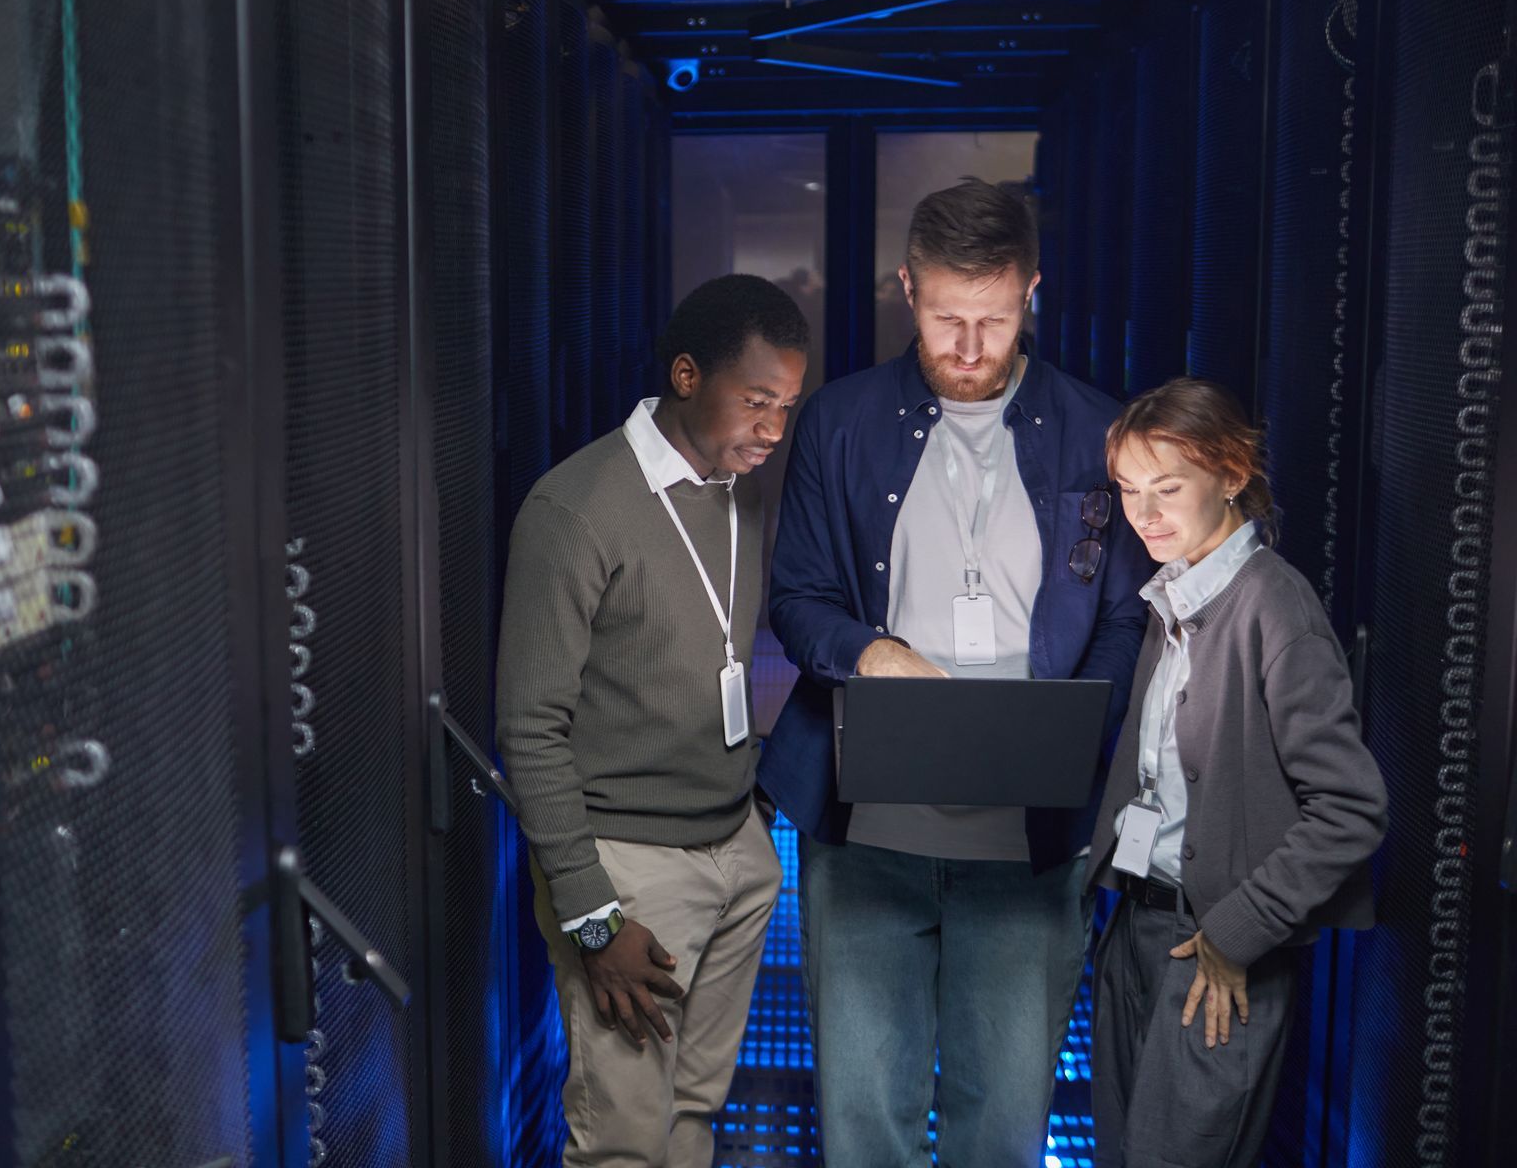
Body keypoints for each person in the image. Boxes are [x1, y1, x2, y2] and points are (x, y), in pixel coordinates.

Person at [758, 177, 1151, 1166]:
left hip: (1031, 842)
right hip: (865, 831)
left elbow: (1119, 618)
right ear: (905, 289)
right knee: (866, 1121)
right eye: (946, 320)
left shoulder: (1099, 432)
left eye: (996, 317)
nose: (971, 347)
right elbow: (796, 598)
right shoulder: (839, 422)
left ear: (1033, 292)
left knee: (1002, 1126)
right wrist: (874, 653)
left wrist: (1073, 731)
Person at [496, 274, 810, 1167]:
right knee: (623, 1143)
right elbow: (530, 729)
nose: (774, 431)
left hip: (735, 852)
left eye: (787, 406)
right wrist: (594, 919)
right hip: (629, 871)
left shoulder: (739, 491)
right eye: (756, 402)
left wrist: (750, 829)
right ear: (684, 375)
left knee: (692, 1118)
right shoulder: (576, 511)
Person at [1089, 377, 1387, 1168]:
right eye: (1128, 490)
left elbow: (1352, 809)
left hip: (1216, 948)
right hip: (1137, 929)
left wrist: (1236, 932)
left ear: (1230, 474)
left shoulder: (1272, 610)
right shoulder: (1176, 595)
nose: (1144, 513)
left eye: (1168, 487)